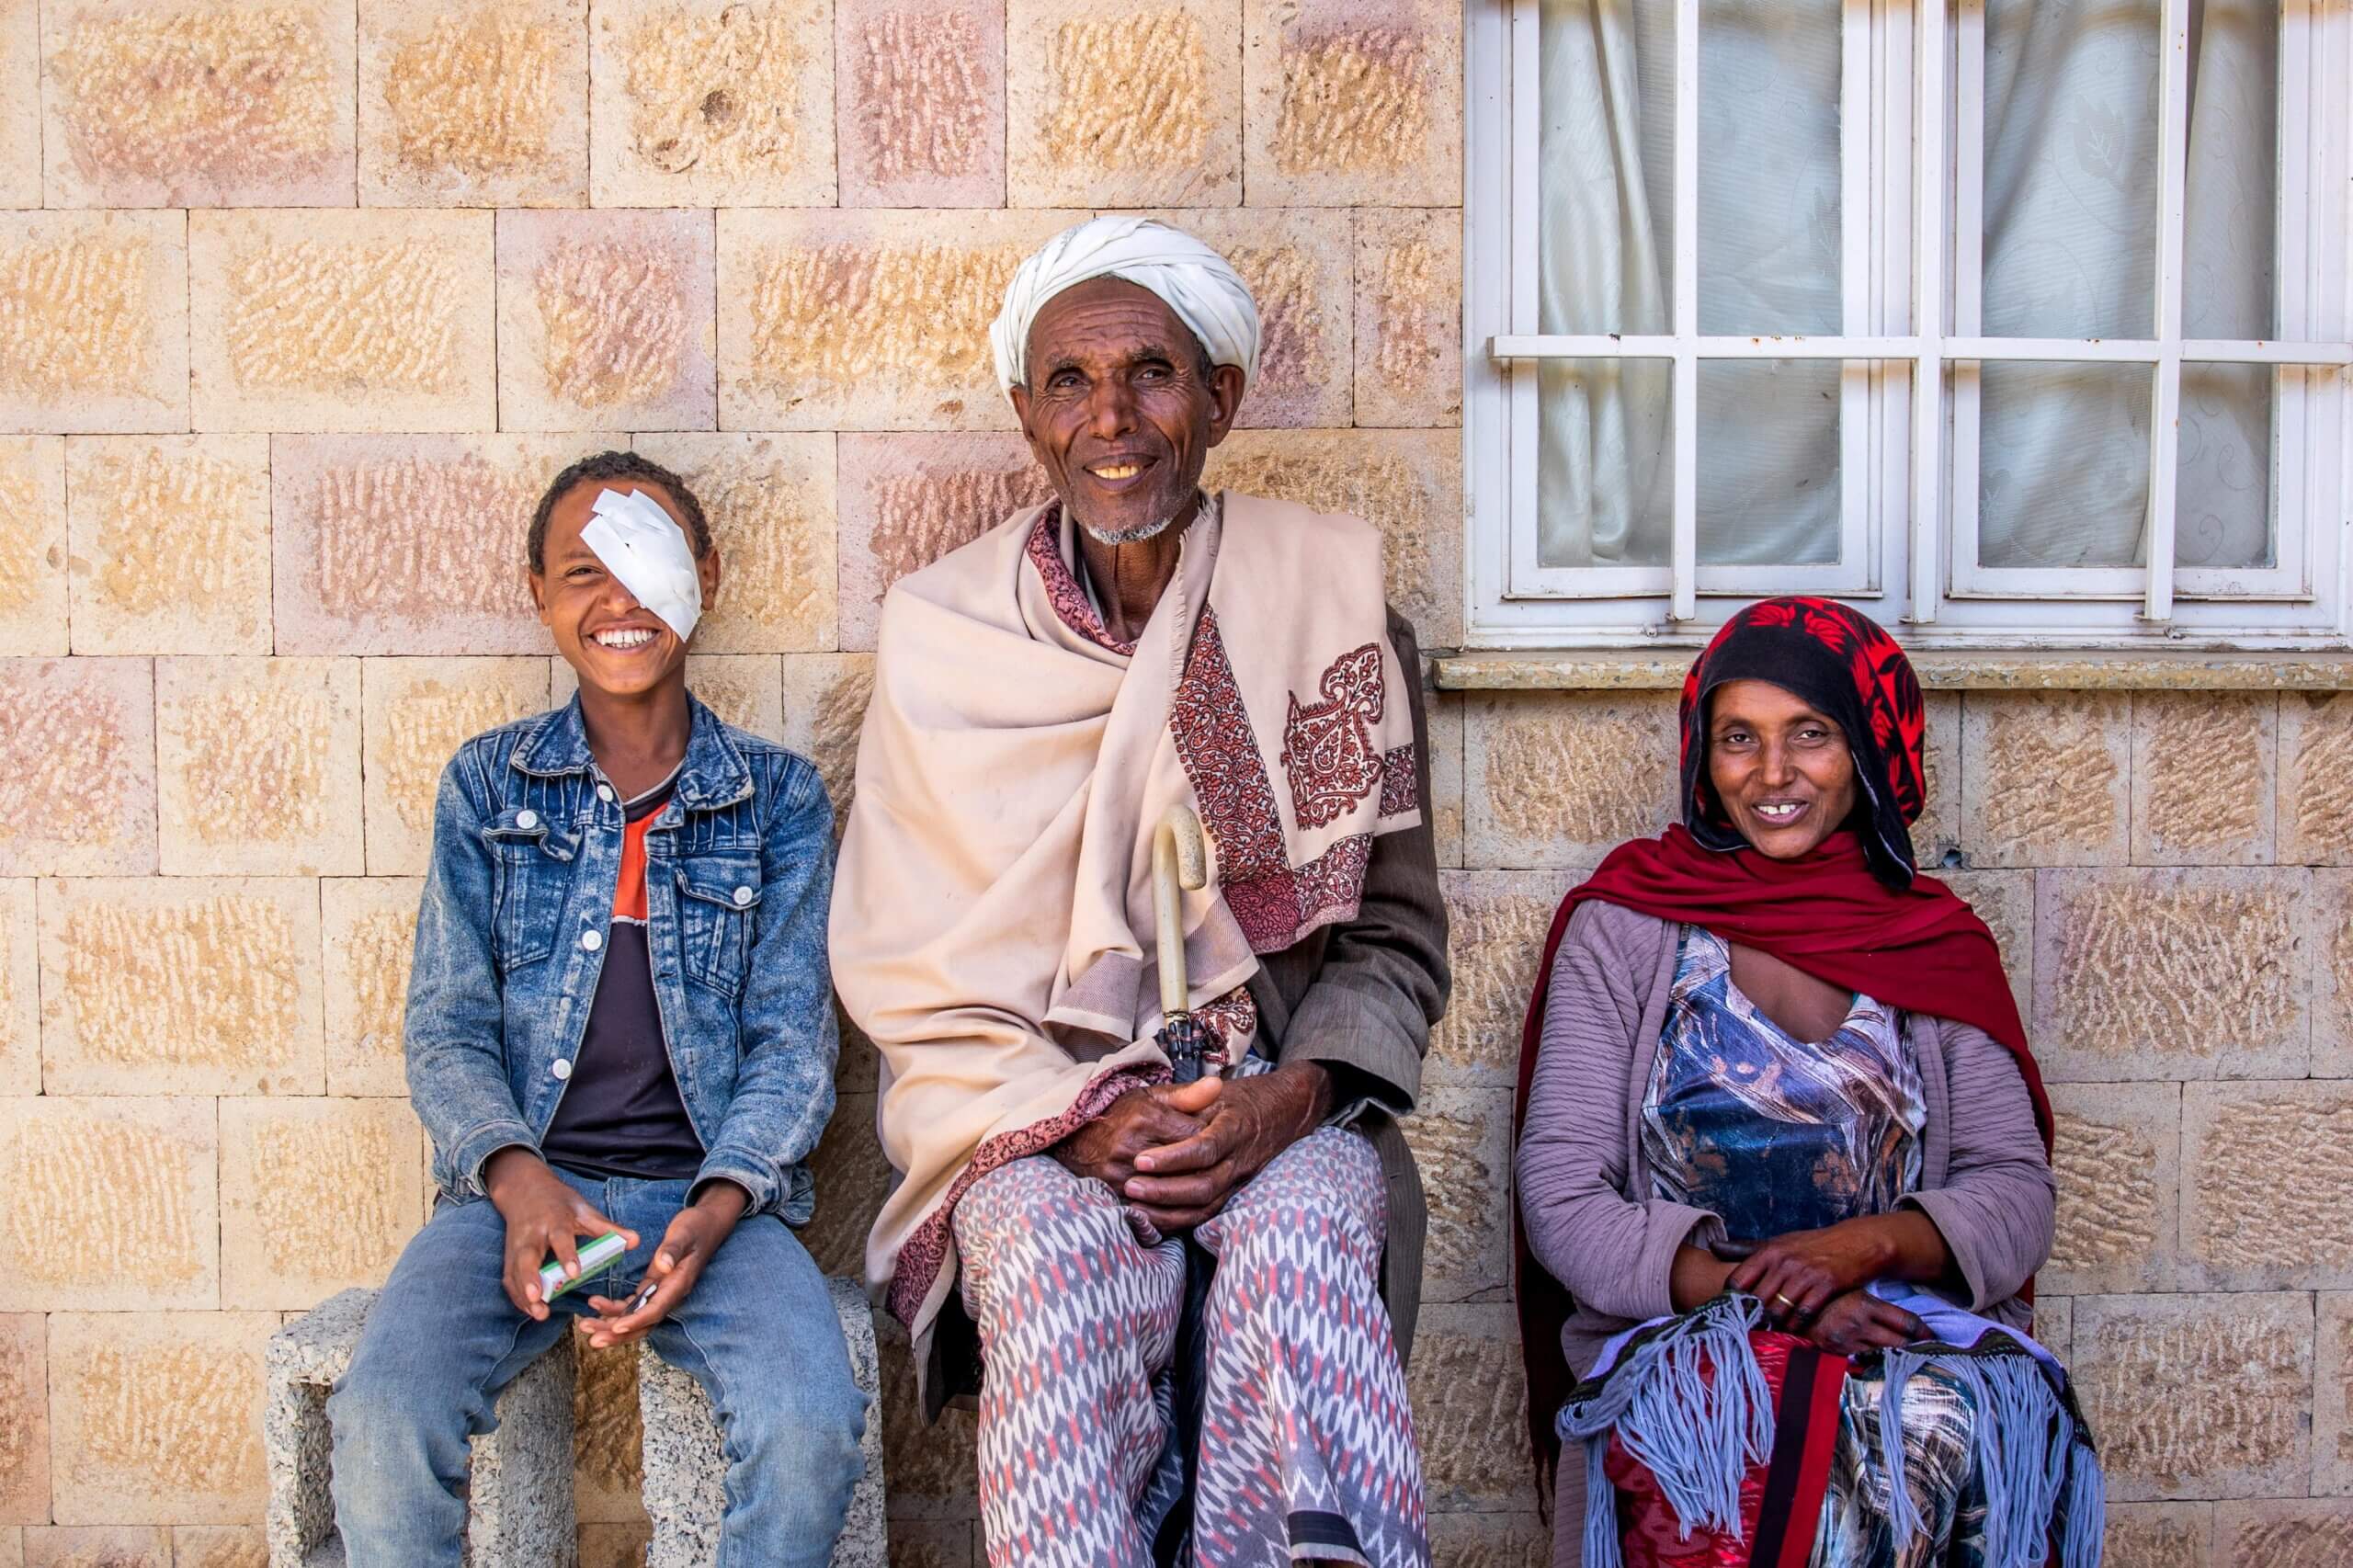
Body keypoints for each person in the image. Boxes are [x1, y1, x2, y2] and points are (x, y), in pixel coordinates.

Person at [831, 215, 1449, 1568]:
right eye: (1071, 381)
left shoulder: (1334, 607)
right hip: (1036, 1116)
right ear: (1026, 416)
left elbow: (1395, 941)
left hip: (1274, 1105)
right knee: (1043, 1258)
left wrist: (1285, 1103)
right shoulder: (948, 641)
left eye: (1153, 374)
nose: (1113, 417)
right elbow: (906, 964)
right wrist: (1075, 1119)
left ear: (1220, 398)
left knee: (1299, 1243)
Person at [328, 451, 865, 1567]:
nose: (618, 600)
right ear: (537, 595)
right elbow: (446, 1026)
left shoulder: (776, 799)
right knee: (383, 1416)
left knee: (809, 1425)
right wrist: (518, 1182)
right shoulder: (490, 786)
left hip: (716, 1209)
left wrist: (719, 1203)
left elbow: (793, 1042)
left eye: (647, 563)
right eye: (583, 570)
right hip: (521, 1201)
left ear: (703, 576)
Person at [1513, 597, 2102, 1568]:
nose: (1772, 773)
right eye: (1739, 737)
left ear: (1869, 751)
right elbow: (1565, 1195)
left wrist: (1855, 1248)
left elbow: (2013, 1190)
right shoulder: (1625, 924)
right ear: (1703, 754)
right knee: (1736, 1436)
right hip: (1681, 1331)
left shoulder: (1933, 942)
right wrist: (1764, 1297)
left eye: (1810, 736)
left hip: (1904, 1326)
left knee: (1930, 1421)